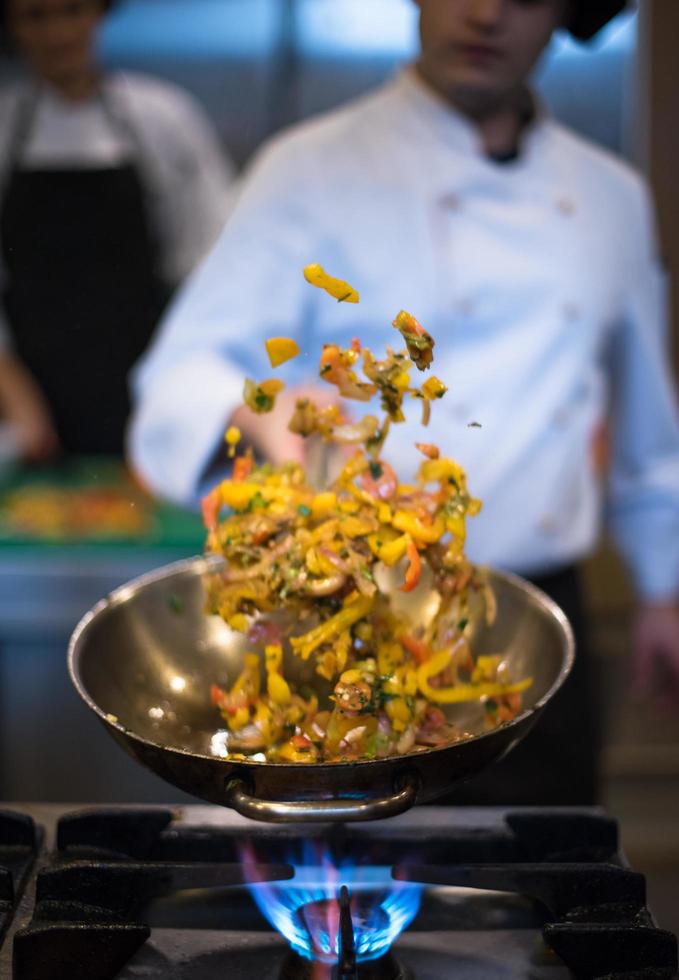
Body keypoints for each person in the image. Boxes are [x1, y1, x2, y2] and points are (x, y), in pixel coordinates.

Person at [129, 0, 679, 804]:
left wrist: (663, 587)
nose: (485, 13)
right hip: (347, 636)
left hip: (530, 640)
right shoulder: (306, 169)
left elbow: (647, 432)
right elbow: (176, 379)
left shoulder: (610, 198)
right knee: (342, 909)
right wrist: (262, 410)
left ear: (568, 12)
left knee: (538, 903)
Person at [0, 0, 235, 458]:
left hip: (149, 376)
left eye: (71, 11)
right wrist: (10, 387)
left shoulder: (163, 117)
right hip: (28, 397)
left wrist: (189, 373)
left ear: (99, 13)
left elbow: (213, 258)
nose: (57, 33)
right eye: (35, 17)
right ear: (12, 27)